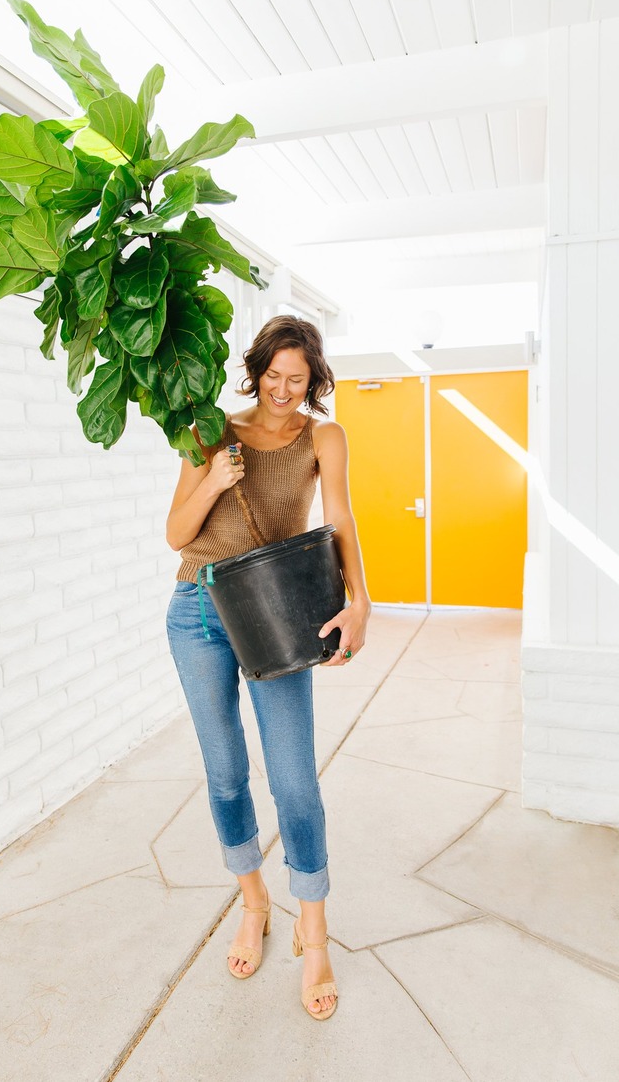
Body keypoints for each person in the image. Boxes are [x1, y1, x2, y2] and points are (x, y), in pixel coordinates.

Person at [165, 315, 370, 1021]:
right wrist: (213, 478)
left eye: (299, 379)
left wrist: (360, 602)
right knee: (224, 773)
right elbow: (176, 535)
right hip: (197, 609)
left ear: (314, 379)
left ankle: (313, 933)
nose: (285, 391)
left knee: (293, 782)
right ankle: (253, 902)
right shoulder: (208, 430)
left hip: (277, 614)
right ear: (256, 370)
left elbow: (340, 520)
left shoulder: (323, 436)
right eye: (274, 376)